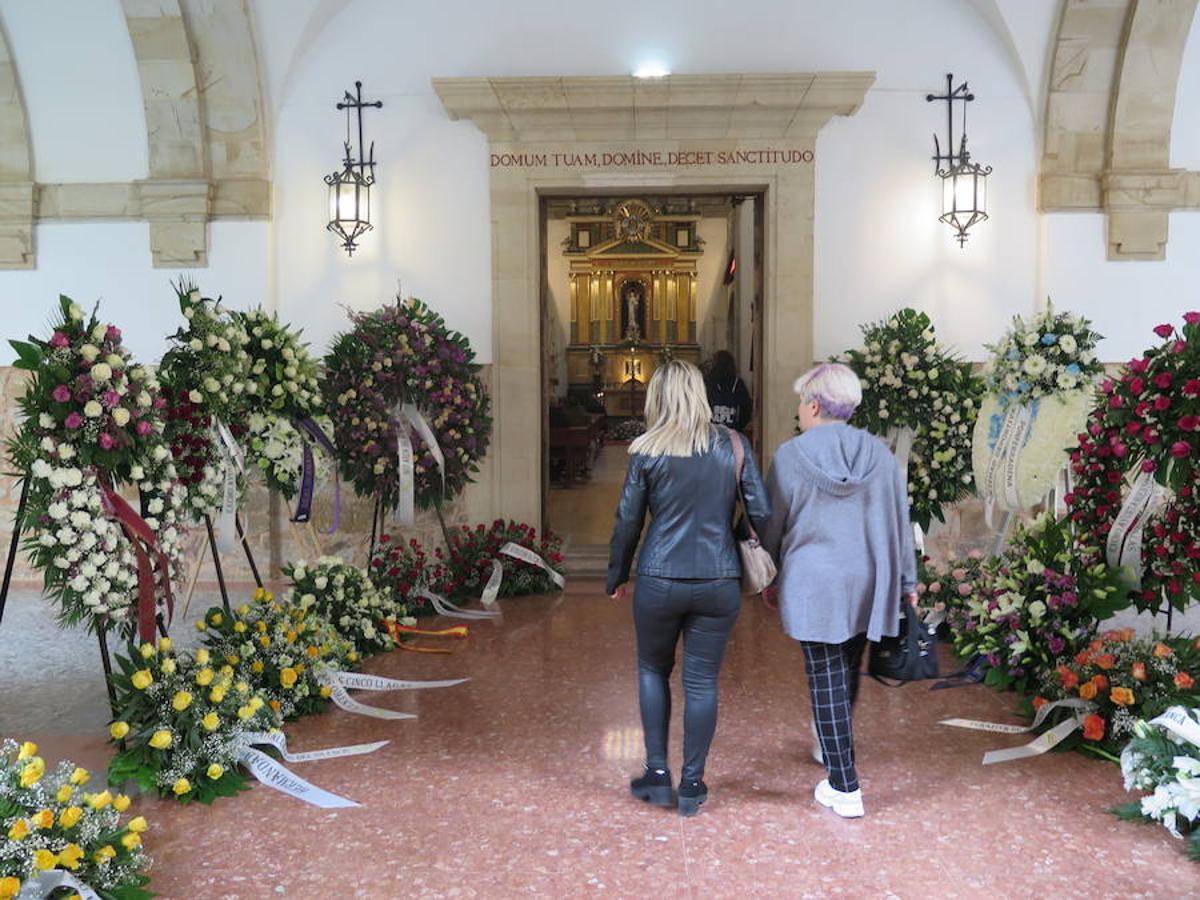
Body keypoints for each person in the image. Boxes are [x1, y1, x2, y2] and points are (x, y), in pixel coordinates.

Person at [607, 359, 770, 816]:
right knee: (702, 682)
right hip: (718, 580)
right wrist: (735, 537)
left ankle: (657, 775)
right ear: (699, 393)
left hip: (659, 577)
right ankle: (693, 785)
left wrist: (617, 574)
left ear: (657, 397)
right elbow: (761, 512)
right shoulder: (734, 445)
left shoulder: (646, 451)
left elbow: (628, 521)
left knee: (652, 671)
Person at [760, 362, 916, 819]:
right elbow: (899, 523)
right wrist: (908, 581)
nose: (799, 412)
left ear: (812, 404)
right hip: (870, 578)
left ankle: (844, 785)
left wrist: (768, 573)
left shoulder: (791, 456)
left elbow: (773, 523)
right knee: (845, 668)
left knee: (825, 675)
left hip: (814, 581)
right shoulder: (880, 455)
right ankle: (832, 748)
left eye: (800, 404)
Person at [705, 350, 752, 432]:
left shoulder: (710, 383)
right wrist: (739, 426)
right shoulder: (738, 384)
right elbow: (746, 409)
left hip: (713, 431)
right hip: (733, 431)